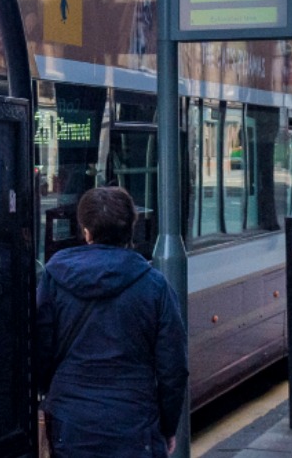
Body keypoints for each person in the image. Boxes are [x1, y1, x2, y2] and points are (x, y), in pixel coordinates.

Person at [36, 186, 188, 457]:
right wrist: (167, 428)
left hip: (71, 421)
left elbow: (40, 348)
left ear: (86, 231)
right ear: (131, 228)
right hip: (134, 423)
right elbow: (173, 369)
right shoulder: (155, 286)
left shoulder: (55, 276)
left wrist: (56, 393)